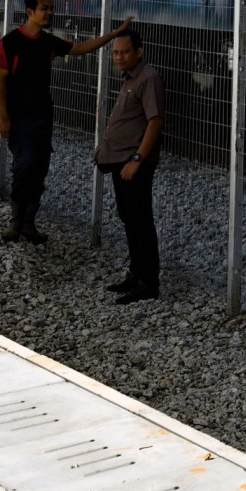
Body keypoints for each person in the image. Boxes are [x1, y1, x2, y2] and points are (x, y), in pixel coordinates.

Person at [0, 0, 136, 244]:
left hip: (43, 118)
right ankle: (15, 220)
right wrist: (4, 118)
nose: (49, 13)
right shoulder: (9, 43)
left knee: (39, 169)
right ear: (29, 12)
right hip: (19, 120)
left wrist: (114, 35)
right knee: (25, 164)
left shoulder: (48, 42)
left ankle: (28, 223)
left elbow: (79, 49)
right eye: (44, 9)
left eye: (51, 9)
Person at [92, 30, 166, 303]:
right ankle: (136, 274)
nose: (118, 57)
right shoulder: (132, 79)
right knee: (129, 218)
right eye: (115, 52)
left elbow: (155, 122)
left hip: (133, 162)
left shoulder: (148, 78)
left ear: (140, 51)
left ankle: (148, 283)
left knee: (140, 220)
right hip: (120, 161)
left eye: (124, 52)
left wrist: (137, 159)